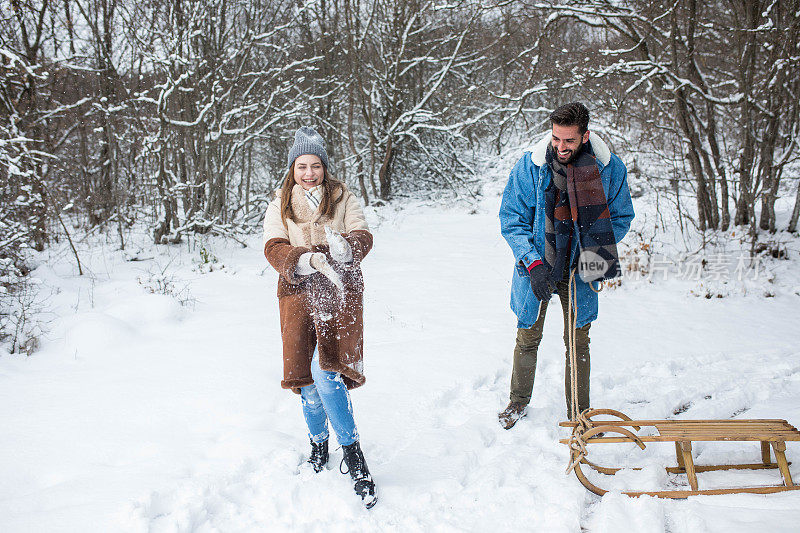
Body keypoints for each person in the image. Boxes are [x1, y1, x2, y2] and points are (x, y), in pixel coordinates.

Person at [497, 102, 634, 429]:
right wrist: (532, 263)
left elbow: (622, 217)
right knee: (527, 335)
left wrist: (593, 247)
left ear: (584, 136)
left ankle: (578, 412)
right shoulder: (530, 167)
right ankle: (517, 401)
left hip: (582, 269)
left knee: (578, 341)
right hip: (539, 266)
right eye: (556, 138)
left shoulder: (609, 170)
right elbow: (511, 220)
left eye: (569, 141)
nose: (560, 147)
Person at [262, 126, 377, 508]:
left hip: (338, 295)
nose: (309, 173)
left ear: (324, 167)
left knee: (328, 375)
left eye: (315, 166)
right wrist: (301, 258)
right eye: (301, 166)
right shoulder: (280, 201)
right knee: (306, 381)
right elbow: (273, 246)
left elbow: (362, 233)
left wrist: (347, 249)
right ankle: (318, 444)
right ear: (293, 169)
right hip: (296, 295)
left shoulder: (343, 196)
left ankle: (353, 453)